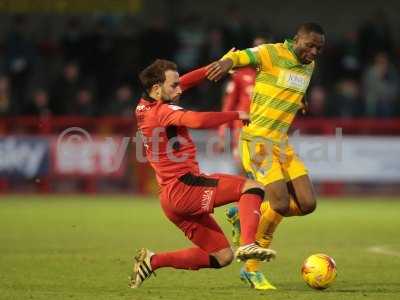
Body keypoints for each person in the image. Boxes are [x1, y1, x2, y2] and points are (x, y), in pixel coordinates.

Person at [130, 59, 276, 288]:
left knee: (222, 256)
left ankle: (153, 260)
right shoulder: (163, 111)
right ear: (157, 89)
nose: (180, 89)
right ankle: (248, 243)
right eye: (174, 86)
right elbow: (197, 120)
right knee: (253, 187)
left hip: (170, 199)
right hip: (185, 187)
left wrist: (215, 66)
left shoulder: (144, 104)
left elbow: (185, 81)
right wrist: (236, 114)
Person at [207, 23, 325, 290]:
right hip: (257, 141)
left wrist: (300, 100)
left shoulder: (309, 66)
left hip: (282, 144)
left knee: (307, 204)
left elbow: (295, 86)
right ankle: (251, 269)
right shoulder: (271, 53)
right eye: (310, 45)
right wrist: (227, 63)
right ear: (297, 39)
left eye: (319, 48)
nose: (314, 51)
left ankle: (248, 213)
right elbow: (242, 56)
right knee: (280, 204)